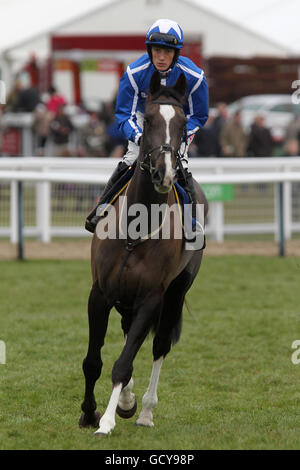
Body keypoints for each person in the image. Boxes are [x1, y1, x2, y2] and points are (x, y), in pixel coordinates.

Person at [85, 18, 209, 232]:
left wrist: (180, 135)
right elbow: (124, 114)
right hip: (145, 121)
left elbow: (199, 115)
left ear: (177, 53)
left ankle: (191, 227)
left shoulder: (195, 77)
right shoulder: (134, 73)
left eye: (167, 52)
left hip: (176, 124)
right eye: (157, 51)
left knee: (181, 166)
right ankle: (101, 208)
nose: (161, 57)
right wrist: (140, 137)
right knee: (131, 159)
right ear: (149, 50)